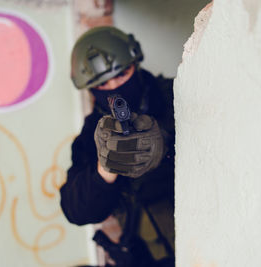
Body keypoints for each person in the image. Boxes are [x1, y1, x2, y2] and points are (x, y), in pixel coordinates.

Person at [60, 26, 175, 267]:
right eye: (102, 85)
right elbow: (76, 210)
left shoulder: (176, 96)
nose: (114, 88)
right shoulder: (90, 137)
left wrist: (164, 143)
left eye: (122, 75)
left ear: (135, 65)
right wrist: (106, 169)